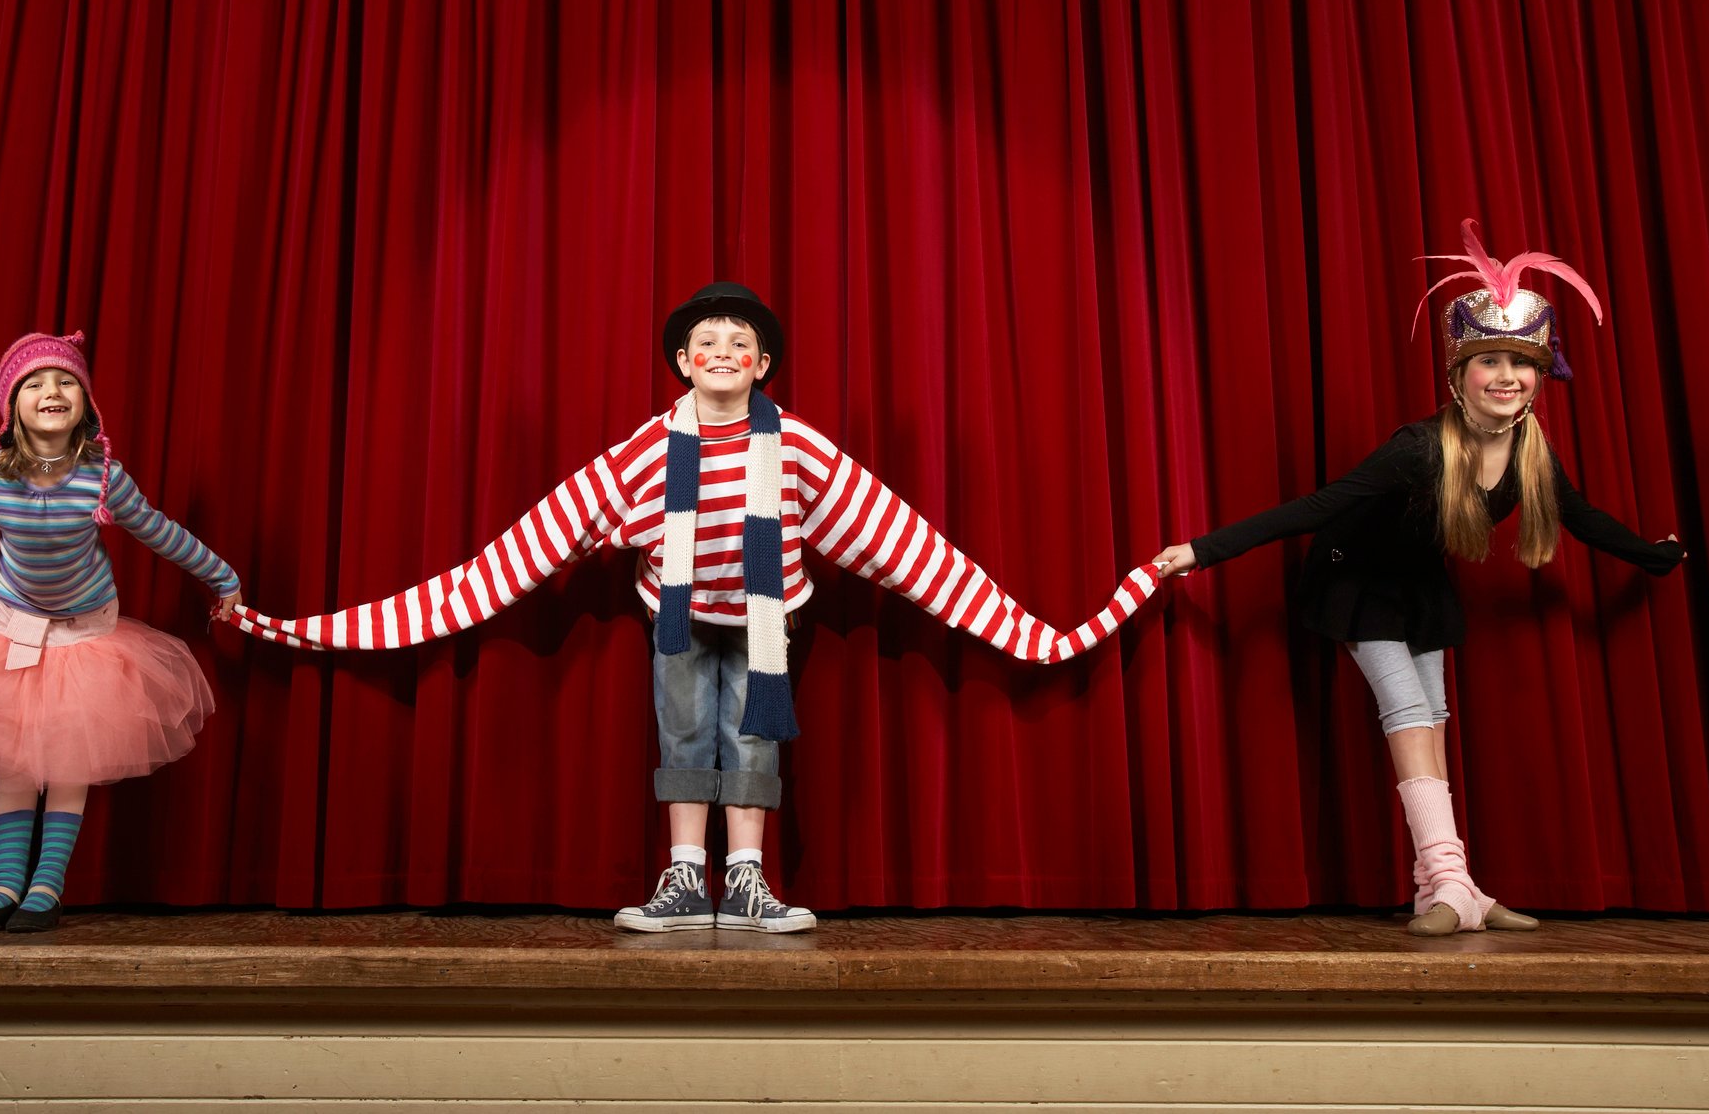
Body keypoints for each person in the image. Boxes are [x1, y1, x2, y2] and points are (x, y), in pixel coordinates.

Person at [230, 283, 1158, 932]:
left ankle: (746, 880)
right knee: (683, 736)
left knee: (751, 739)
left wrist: (1035, 633)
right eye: (706, 345)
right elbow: (528, 547)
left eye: (739, 347)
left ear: (763, 364)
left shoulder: (798, 448)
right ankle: (683, 880)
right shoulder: (644, 450)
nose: (722, 355)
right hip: (675, 623)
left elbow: (895, 541)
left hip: (765, 623)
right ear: (682, 361)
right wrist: (321, 626)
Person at [1151, 222, 1686, 934]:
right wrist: (1201, 550)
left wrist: (1652, 555)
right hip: (1354, 582)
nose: (1505, 376)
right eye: (1488, 361)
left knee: (1433, 720)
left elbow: (1581, 516)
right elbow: (1317, 507)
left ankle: (1443, 888)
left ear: (1540, 374)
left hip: (1419, 590)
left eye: (1520, 363)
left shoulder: (1530, 452)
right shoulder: (1416, 450)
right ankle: (1452, 882)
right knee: (1406, 715)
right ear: (1457, 375)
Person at [0, 331, 241, 932]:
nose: (51, 392)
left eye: (65, 382)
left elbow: (159, 531)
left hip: (86, 633)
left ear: (85, 403)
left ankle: (46, 888)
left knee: (66, 761)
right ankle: (4, 886)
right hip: (13, 625)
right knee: (14, 760)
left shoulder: (101, 476)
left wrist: (223, 576)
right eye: (33, 384)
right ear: (12, 406)